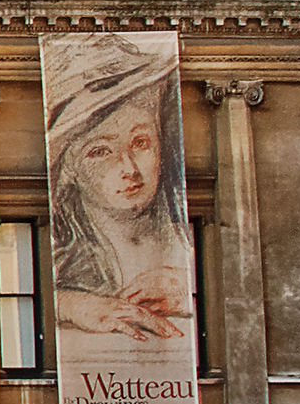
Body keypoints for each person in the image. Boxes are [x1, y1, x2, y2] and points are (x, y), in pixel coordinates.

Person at [44, 38, 196, 350]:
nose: (128, 167)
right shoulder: (62, 259)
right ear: (69, 169)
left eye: (140, 142)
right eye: (100, 151)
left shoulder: (186, 244)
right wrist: (71, 304)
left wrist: (190, 287)